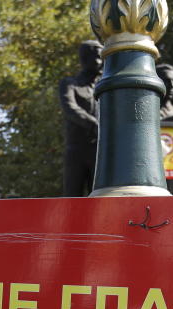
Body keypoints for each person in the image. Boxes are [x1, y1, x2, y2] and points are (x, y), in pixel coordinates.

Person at [59, 40, 102, 196]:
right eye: (98, 57)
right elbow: (70, 108)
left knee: (98, 196)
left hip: (98, 150)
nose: (102, 62)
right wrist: (94, 124)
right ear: (85, 58)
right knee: (72, 195)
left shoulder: (103, 88)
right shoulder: (70, 84)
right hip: (77, 150)